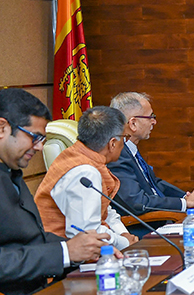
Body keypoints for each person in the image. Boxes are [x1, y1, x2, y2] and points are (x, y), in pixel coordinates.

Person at [0, 89, 108, 295]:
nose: (41, 147)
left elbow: (29, 238)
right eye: (35, 137)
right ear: (1, 127)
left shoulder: (7, 167)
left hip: (39, 291)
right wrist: (65, 253)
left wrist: (85, 247)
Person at [35, 106, 138, 250]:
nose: (125, 143)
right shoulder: (84, 171)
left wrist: (123, 234)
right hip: (63, 259)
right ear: (113, 143)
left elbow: (104, 209)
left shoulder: (84, 155)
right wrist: (125, 243)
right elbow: (86, 233)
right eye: (125, 137)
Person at [107, 92, 194, 216]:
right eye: (150, 117)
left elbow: (154, 184)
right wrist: (184, 203)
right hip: (142, 227)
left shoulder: (130, 150)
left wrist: (187, 196)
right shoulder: (117, 155)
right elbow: (137, 202)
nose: (154, 122)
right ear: (133, 123)